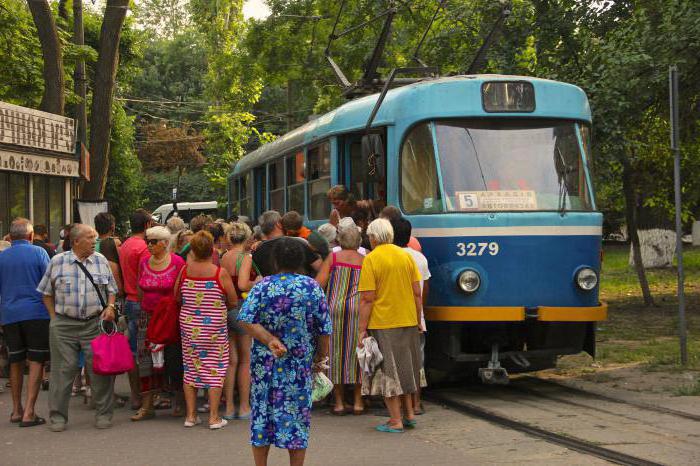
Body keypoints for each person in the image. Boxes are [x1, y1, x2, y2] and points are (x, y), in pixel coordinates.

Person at [237, 237, 332, 466]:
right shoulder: (311, 288)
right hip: (299, 366)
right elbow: (324, 329)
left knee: (262, 417)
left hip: (264, 366)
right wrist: (321, 357)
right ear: (301, 260)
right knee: (297, 419)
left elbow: (246, 319)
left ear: (275, 260)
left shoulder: (263, 286)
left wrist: (269, 339)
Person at [37, 224, 119, 432]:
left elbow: (112, 290)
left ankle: (103, 413)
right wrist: (54, 319)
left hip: (94, 323)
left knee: (99, 371)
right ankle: (57, 417)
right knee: (62, 371)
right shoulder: (58, 262)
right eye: (90, 238)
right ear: (75, 241)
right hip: (64, 325)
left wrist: (110, 306)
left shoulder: (100, 261)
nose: (94, 241)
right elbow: (46, 293)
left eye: (94, 237)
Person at [358, 218, 422, 433]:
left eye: (369, 236)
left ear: (374, 237)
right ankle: (410, 414)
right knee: (407, 369)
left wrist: (361, 329)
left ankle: (395, 421)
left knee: (388, 372)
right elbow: (417, 293)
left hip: (384, 323)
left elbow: (367, 298)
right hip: (409, 320)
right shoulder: (406, 256)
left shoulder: (371, 259)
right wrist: (418, 319)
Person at [178, 230, 238, 429]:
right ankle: (213, 417)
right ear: (212, 249)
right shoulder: (219, 273)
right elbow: (232, 300)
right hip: (214, 329)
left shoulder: (184, 271)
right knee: (216, 368)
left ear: (193, 250)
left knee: (190, 369)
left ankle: (191, 415)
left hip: (189, 328)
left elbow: (176, 297)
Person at [0, 218, 51, 427]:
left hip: (10, 314)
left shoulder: (2, 257)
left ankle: (16, 410)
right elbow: (49, 283)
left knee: (15, 360)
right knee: (37, 360)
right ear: (31, 236)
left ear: (10, 237)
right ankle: (30, 411)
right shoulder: (39, 253)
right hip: (37, 313)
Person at [132, 226, 186, 421]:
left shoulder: (178, 262)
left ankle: (180, 402)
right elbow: (140, 288)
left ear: (164, 243)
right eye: (148, 241)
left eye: (153, 241)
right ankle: (147, 406)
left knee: (174, 358)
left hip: (169, 318)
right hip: (147, 317)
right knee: (145, 359)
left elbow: (181, 290)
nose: (149, 245)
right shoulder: (144, 261)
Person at [316, 223, 365, 415]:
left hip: (333, 308)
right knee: (358, 352)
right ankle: (359, 402)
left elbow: (319, 283)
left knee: (334, 353)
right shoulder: (365, 260)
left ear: (339, 240)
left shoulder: (333, 258)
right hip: (357, 309)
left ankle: (338, 403)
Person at [391, 217, 431, 415]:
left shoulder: (389, 256)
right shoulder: (419, 258)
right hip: (417, 319)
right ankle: (416, 403)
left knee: (397, 363)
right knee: (417, 361)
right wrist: (420, 312)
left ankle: (399, 407)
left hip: (395, 319)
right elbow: (424, 290)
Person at [220, 221, 255, 421]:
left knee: (230, 361)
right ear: (247, 237)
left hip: (225, 307)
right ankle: (244, 406)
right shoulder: (245, 257)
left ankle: (229, 407)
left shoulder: (224, 257)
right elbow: (242, 283)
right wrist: (255, 282)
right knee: (245, 360)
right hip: (241, 308)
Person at [119, 209, 153, 410]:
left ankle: (135, 394)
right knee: (145, 351)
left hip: (129, 300)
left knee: (133, 350)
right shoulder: (144, 248)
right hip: (141, 301)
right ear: (147, 225)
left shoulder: (125, 245)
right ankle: (146, 395)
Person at [238, 211, 322, 290]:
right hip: (301, 294)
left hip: (272, 297)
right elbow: (320, 268)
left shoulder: (256, 250)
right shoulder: (299, 243)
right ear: (279, 224)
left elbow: (244, 283)